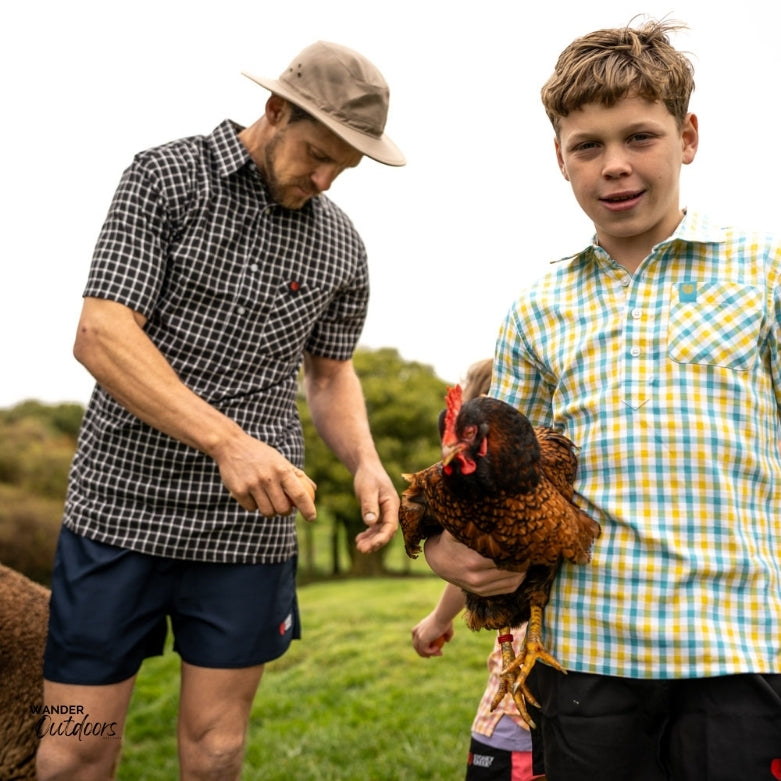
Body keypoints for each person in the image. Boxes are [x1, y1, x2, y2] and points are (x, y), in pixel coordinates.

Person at [423, 19, 781, 781]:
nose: (613, 165)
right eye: (587, 145)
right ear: (559, 156)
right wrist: (454, 544)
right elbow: (504, 485)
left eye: (639, 137)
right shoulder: (536, 306)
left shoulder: (764, 273)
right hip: (587, 652)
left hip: (741, 645)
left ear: (686, 136)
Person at [36, 41, 404, 781]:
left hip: (246, 535)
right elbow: (102, 333)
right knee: (74, 748)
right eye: (317, 154)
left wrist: (365, 461)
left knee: (217, 750)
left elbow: (330, 376)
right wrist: (227, 442)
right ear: (273, 111)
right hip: (118, 516)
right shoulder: (165, 177)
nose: (327, 178)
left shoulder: (342, 246)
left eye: (346, 167)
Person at [411, 358, 541, 781]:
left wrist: (436, 620)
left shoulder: (504, 484)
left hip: (519, 707)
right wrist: (438, 617)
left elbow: (476, 556)